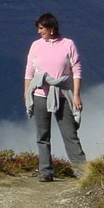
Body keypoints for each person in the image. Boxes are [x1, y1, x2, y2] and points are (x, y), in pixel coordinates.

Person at [24, 12, 87, 181]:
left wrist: (76, 95)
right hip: (40, 95)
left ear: (52, 28)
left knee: (70, 134)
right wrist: (26, 93)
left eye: (41, 28)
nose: (39, 32)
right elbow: (29, 71)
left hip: (63, 94)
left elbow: (77, 70)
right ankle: (46, 172)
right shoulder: (36, 45)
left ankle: (83, 172)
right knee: (42, 136)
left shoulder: (68, 44)